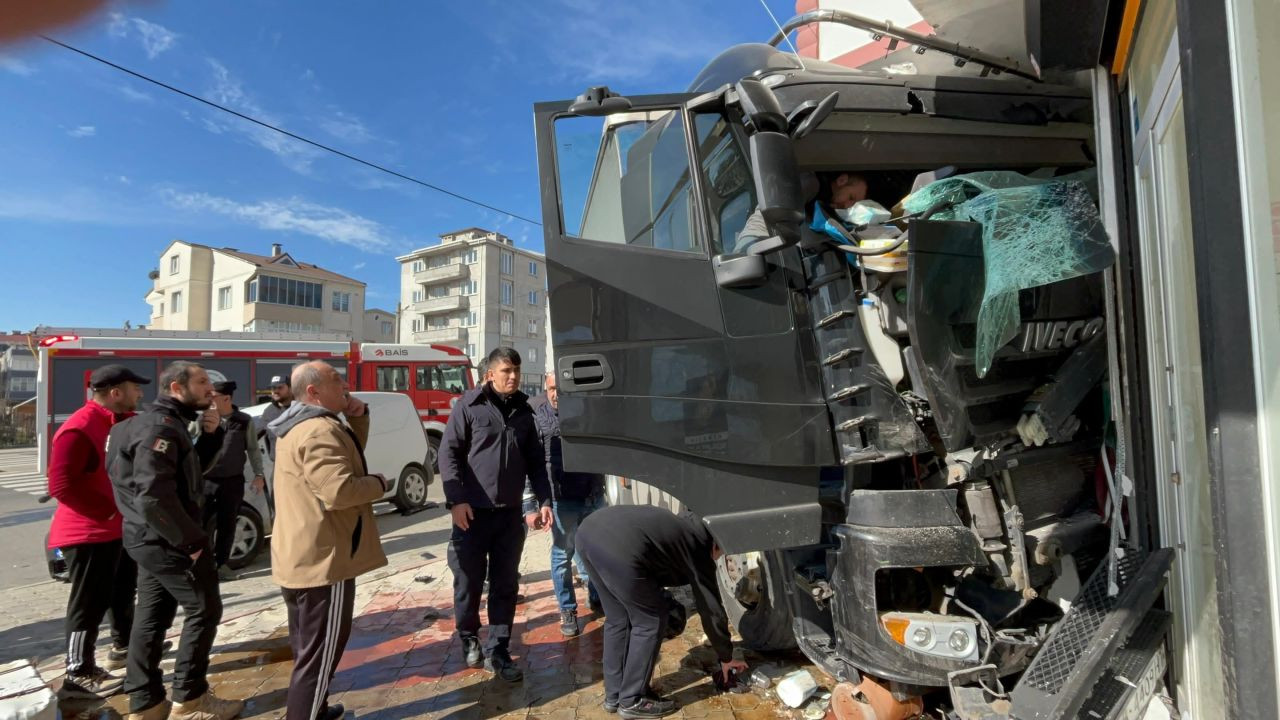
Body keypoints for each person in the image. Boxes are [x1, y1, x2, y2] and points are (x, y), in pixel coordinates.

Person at [107, 361, 244, 720]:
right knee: (204, 608)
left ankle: (146, 703)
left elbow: (186, 476)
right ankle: (191, 699)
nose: (210, 390)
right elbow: (153, 496)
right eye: (201, 382)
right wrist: (192, 542)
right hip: (167, 541)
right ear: (176, 388)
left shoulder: (149, 425)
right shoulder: (160, 427)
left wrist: (212, 435)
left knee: (151, 618)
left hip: (148, 539)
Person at [267, 361, 388, 720]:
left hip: (303, 555)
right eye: (336, 381)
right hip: (324, 561)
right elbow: (339, 490)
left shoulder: (304, 424)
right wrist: (379, 484)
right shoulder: (317, 430)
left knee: (309, 651)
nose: (346, 385)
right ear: (313, 391)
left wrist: (360, 415)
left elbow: (347, 456)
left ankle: (315, 710)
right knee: (319, 657)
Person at [440, 347, 552, 682]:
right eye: (506, 371)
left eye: (516, 370)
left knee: (505, 584)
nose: (513, 376)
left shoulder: (524, 410)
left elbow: (535, 460)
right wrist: (456, 500)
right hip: (471, 516)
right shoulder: (469, 407)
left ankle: (500, 649)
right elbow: (448, 454)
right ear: (490, 374)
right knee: (469, 582)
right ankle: (469, 635)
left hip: (509, 516)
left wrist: (543, 499)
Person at [576, 506, 748, 719]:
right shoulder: (698, 546)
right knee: (651, 619)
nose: (719, 557)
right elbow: (711, 609)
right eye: (721, 552)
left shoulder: (683, 525)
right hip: (620, 547)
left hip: (588, 533)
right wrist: (726, 656)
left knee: (618, 618)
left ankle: (615, 696)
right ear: (716, 542)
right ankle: (632, 700)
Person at [47, 365, 148, 699]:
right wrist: (107, 510)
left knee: (120, 593)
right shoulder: (79, 427)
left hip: (115, 530)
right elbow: (61, 485)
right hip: (87, 533)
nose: (140, 394)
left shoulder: (117, 422)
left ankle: (122, 647)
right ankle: (78, 673)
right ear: (115, 392)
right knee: (88, 603)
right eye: (135, 388)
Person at [522, 371, 605, 638]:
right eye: (551, 388)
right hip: (561, 501)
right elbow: (530, 465)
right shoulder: (538, 418)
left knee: (593, 552)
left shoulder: (585, 413)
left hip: (592, 495)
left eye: (561, 388)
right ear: (546, 389)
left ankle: (596, 596)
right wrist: (532, 504)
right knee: (562, 556)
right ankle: (567, 610)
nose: (557, 393)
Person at [202, 380, 266, 582]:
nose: (209, 401)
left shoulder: (243, 421)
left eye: (213, 398)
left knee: (227, 524)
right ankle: (201, 566)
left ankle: (222, 565)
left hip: (232, 481)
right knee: (200, 523)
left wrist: (259, 475)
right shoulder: (202, 420)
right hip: (206, 481)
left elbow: (253, 450)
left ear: (227, 398)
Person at [732, 171, 867, 253]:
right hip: (761, 243)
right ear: (842, 180)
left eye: (854, 204)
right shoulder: (811, 183)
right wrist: (746, 246)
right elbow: (769, 213)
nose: (849, 205)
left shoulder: (830, 206)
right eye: (851, 197)